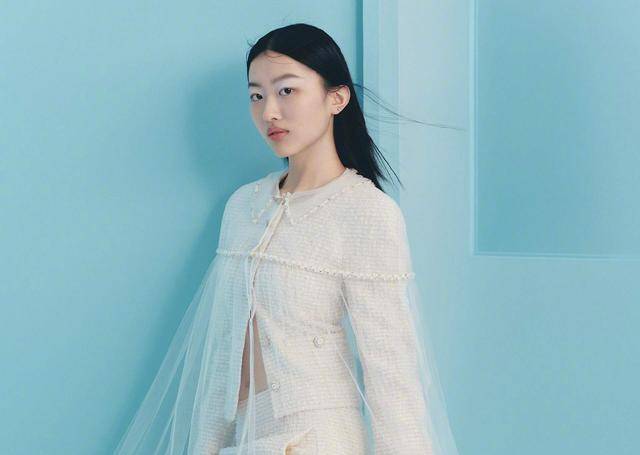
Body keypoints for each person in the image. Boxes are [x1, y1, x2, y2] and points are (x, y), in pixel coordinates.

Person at [113, 23, 459, 454]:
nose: (269, 112)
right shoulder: (244, 206)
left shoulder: (366, 213)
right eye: (256, 96)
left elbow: (392, 372)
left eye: (287, 91)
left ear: (337, 98)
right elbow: (223, 352)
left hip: (317, 437)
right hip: (243, 435)